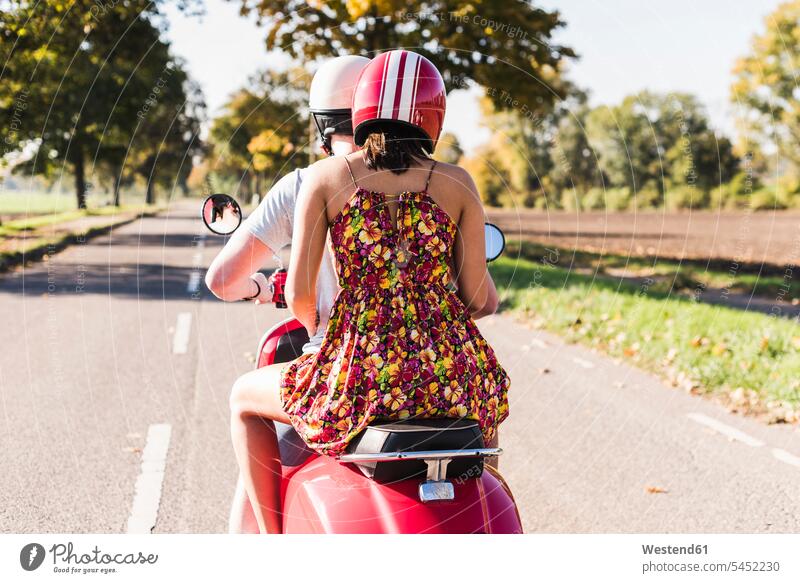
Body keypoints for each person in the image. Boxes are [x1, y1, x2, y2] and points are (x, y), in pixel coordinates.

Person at [229, 49, 510, 534]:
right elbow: (480, 300)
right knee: (482, 408)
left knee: (241, 398)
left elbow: (299, 295)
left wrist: (329, 332)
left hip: (359, 381)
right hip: (448, 379)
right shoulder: (458, 183)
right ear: (433, 115)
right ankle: (475, 510)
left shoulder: (323, 178)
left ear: (360, 111)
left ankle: (271, 541)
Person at [205, 55, 370, 533]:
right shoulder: (434, 183)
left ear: (323, 124)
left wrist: (263, 287)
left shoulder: (306, 183)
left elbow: (223, 280)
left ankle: (263, 545)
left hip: (341, 373)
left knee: (245, 403)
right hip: (424, 370)